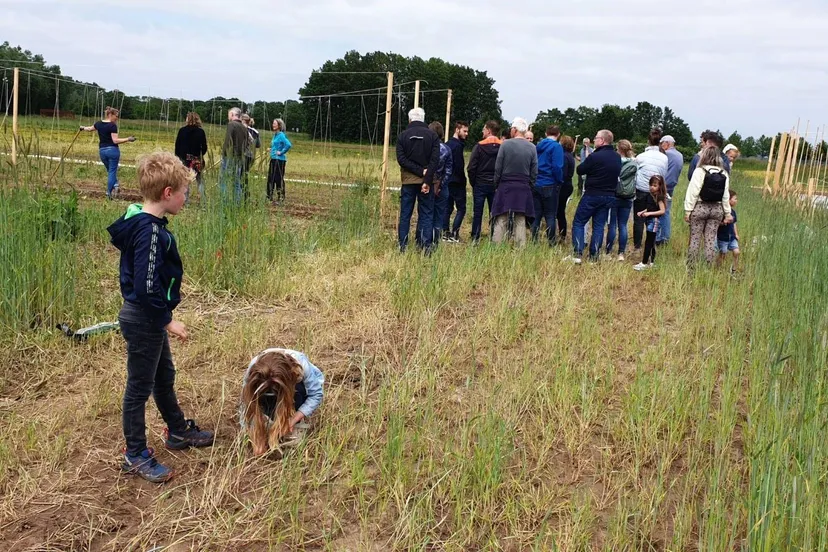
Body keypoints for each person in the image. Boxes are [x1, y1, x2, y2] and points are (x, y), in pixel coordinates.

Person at [106, 152, 214, 483]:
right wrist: (167, 320)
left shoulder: (141, 221)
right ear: (168, 193)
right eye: (183, 191)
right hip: (144, 318)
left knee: (163, 375)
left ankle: (178, 431)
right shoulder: (150, 231)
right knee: (139, 387)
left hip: (146, 316)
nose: (186, 197)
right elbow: (146, 283)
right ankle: (135, 455)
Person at [240, 348, 324, 456]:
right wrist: (251, 431)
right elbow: (245, 400)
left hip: (296, 390)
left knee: (294, 442)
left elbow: (316, 395)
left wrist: (293, 420)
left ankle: (293, 419)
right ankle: (270, 418)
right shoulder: (254, 368)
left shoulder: (301, 365)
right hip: (275, 391)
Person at [569, 130, 621, 263]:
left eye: (596, 138)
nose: (594, 140)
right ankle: (594, 256)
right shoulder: (616, 157)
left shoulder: (595, 156)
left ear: (602, 140)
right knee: (598, 226)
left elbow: (580, 170)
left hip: (593, 194)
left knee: (579, 222)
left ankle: (577, 254)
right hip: (609, 195)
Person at [396, 107, 440, 253]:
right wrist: (426, 179)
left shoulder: (403, 136)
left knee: (405, 214)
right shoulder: (433, 136)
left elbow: (401, 159)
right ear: (423, 118)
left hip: (408, 182)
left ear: (410, 119)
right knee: (426, 213)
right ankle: (425, 246)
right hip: (427, 182)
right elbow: (435, 160)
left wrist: (418, 171)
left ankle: (402, 246)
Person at [491, 117, 537, 247]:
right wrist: (530, 186)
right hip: (523, 186)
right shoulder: (532, 148)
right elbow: (534, 171)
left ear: (515, 130)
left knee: (501, 216)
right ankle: (520, 248)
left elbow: (498, 167)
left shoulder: (505, 144)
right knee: (520, 219)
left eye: (512, 128)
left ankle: (496, 247)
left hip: (506, 185)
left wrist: (497, 184)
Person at [684, 146, 733, 264]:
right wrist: (727, 213)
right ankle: (709, 266)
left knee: (695, 238)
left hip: (700, 207)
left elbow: (693, 192)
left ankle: (691, 266)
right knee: (711, 239)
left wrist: (688, 210)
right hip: (717, 209)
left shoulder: (700, 171)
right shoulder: (724, 173)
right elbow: (725, 195)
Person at [80, 106, 135, 199]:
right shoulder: (112, 126)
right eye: (116, 116)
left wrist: (83, 128)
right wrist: (128, 139)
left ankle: (116, 185)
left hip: (102, 151)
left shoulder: (98, 123)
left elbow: (89, 129)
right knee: (112, 172)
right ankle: (108, 193)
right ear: (110, 115)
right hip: (112, 151)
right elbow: (115, 140)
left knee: (110, 171)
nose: (117, 118)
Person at [633, 129, 669, 251]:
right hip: (656, 191)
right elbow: (663, 174)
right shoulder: (664, 158)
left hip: (641, 189)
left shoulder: (641, 157)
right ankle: (651, 243)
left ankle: (637, 245)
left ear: (648, 141)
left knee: (638, 219)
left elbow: (635, 173)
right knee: (653, 219)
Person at [467, 120, 503, 243]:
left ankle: (475, 237)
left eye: (483, 129)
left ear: (488, 130)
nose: (482, 131)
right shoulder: (502, 146)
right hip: (495, 184)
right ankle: (494, 236)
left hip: (480, 183)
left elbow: (471, 167)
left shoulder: (479, 146)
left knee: (478, 212)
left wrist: (473, 182)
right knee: (495, 212)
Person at [532, 125, 564, 244]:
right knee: (550, 215)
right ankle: (551, 242)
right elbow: (557, 167)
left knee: (536, 215)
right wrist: (559, 180)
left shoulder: (538, 146)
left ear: (546, 133)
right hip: (550, 183)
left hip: (536, 182)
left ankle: (534, 241)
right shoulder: (557, 147)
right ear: (558, 134)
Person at [606, 140, 637, 261]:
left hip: (615, 194)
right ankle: (621, 253)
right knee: (623, 225)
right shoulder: (634, 163)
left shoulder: (615, 161)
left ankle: (608, 252)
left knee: (612, 225)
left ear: (618, 148)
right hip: (628, 196)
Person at [634, 175, 668, 271]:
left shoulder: (659, 197)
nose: (652, 187)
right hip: (650, 220)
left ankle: (644, 263)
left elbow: (662, 211)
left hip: (654, 221)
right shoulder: (651, 196)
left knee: (649, 242)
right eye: (651, 185)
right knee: (651, 242)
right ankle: (652, 262)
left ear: (660, 186)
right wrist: (643, 212)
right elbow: (650, 207)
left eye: (655, 185)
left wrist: (649, 213)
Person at [443, 121, 468, 242]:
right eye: (464, 131)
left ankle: (445, 232)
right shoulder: (457, 146)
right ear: (457, 130)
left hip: (447, 180)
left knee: (447, 208)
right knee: (461, 208)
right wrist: (463, 180)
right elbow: (459, 166)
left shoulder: (447, 144)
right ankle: (455, 233)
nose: (466, 134)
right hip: (457, 181)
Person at [174, 112, 208, 202]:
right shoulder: (201, 132)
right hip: (196, 159)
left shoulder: (182, 131)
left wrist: (178, 156)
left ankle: (186, 200)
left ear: (188, 119)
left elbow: (177, 145)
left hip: (184, 159)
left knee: (185, 180)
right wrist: (200, 156)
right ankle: (204, 201)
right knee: (200, 180)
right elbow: (204, 147)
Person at [656, 135, 684, 245]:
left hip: (663, 185)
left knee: (660, 211)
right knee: (666, 210)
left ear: (666, 143)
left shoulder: (667, 154)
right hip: (672, 186)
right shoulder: (679, 155)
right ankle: (665, 237)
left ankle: (661, 237)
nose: (660, 146)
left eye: (661, 143)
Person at [428, 121, 453, 244]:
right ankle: (435, 242)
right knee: (439, 216)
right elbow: (448, 172)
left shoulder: (427, 148)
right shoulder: (447, 149)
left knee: (426, 214)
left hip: (427, 184)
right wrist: (440, 186)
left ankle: (423, 240)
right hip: (442, 188)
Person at [220, 107, 250, 202]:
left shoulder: (231, 125)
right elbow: (247, 143)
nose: (228, 117)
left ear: (233, 115)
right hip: (240, 157)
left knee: (223, 180)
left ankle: (224, 201)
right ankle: (237, 202)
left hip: (229, 157)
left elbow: (228, 141)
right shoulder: (244, 127)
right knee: (236, 181)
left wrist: (224, 154)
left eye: (229, 114)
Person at [267, 118, 292, 204]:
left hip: (279, 160)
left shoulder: (281, 135)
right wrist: (271, 149)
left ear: (279, 126)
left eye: (275, 124)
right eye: (273, 123)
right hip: (273, 159)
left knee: (278, 179)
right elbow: (277, 145)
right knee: (270, 178)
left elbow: (288, 145)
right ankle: (269, 197)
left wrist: (281, 152)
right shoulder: (275, 135)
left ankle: (280, 198)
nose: (273, 125)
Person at [557, 135, 576, 240]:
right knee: (561, 210)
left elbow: (562, 173)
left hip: (563, 186)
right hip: (568, 185)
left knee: (559, 211)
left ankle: (562, 233)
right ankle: (562, 233)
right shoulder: (570, 155)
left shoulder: (564, 156)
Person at [717, 189, 740, 273]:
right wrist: (724, 222)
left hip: (732, 237)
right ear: (729, 200)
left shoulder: (733, 212)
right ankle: (718, 268)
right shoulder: (722, 211)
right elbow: (716, 224)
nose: (736, 201)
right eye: (735, 199)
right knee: (723, 253)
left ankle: (734, 269)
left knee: (737, 252)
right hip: (723, 237)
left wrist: (736, 234)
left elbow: (734, 224)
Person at [240, 114, 260, 201]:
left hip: (242, 155)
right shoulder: (256, 132)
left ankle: (242, 197)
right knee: (245, 176)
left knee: (239, 176)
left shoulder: (240, 129)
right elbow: (258, 145)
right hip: (251, 156)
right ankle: (245, 196)